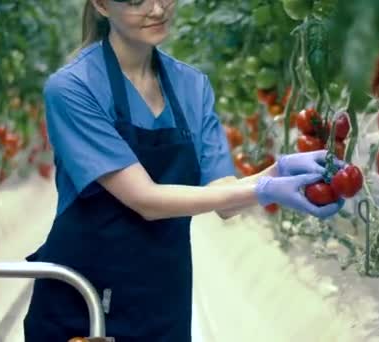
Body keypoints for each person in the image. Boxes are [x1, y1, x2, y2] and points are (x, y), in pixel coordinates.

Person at [22, 0, 345, 340]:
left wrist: (279, 173)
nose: (157, 9)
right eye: (135, 1)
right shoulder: (74, 88)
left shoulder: (192, 86)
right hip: (84, 305)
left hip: (162, 302)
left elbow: (223, 199)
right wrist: (263, 188)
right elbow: (144, 198)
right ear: (102, 5)